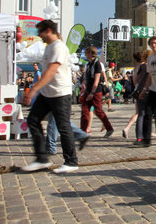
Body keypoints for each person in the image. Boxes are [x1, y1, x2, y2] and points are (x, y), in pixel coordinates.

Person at [21, 20, 79, 173]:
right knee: (33, 120)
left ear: (47, 30)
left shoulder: (59, 47)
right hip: (47, 93)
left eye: (39, 32)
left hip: (60, 93)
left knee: (63, 126)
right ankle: (42, 159)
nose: (38, 35)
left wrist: (33, 89)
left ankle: (71, 162)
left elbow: (51, 71)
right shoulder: (49, 47)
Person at [80, 46, 114, 137]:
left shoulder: (97, 64)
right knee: (84, 111)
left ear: (91, 53)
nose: (85, 55)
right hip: (88, 90)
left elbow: (97, 79)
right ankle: (82, 131)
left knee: (98, 110)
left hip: (96, 91)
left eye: (86, 53)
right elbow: (87, 78)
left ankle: (109, 128)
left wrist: (92, 92)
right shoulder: (89, 64)